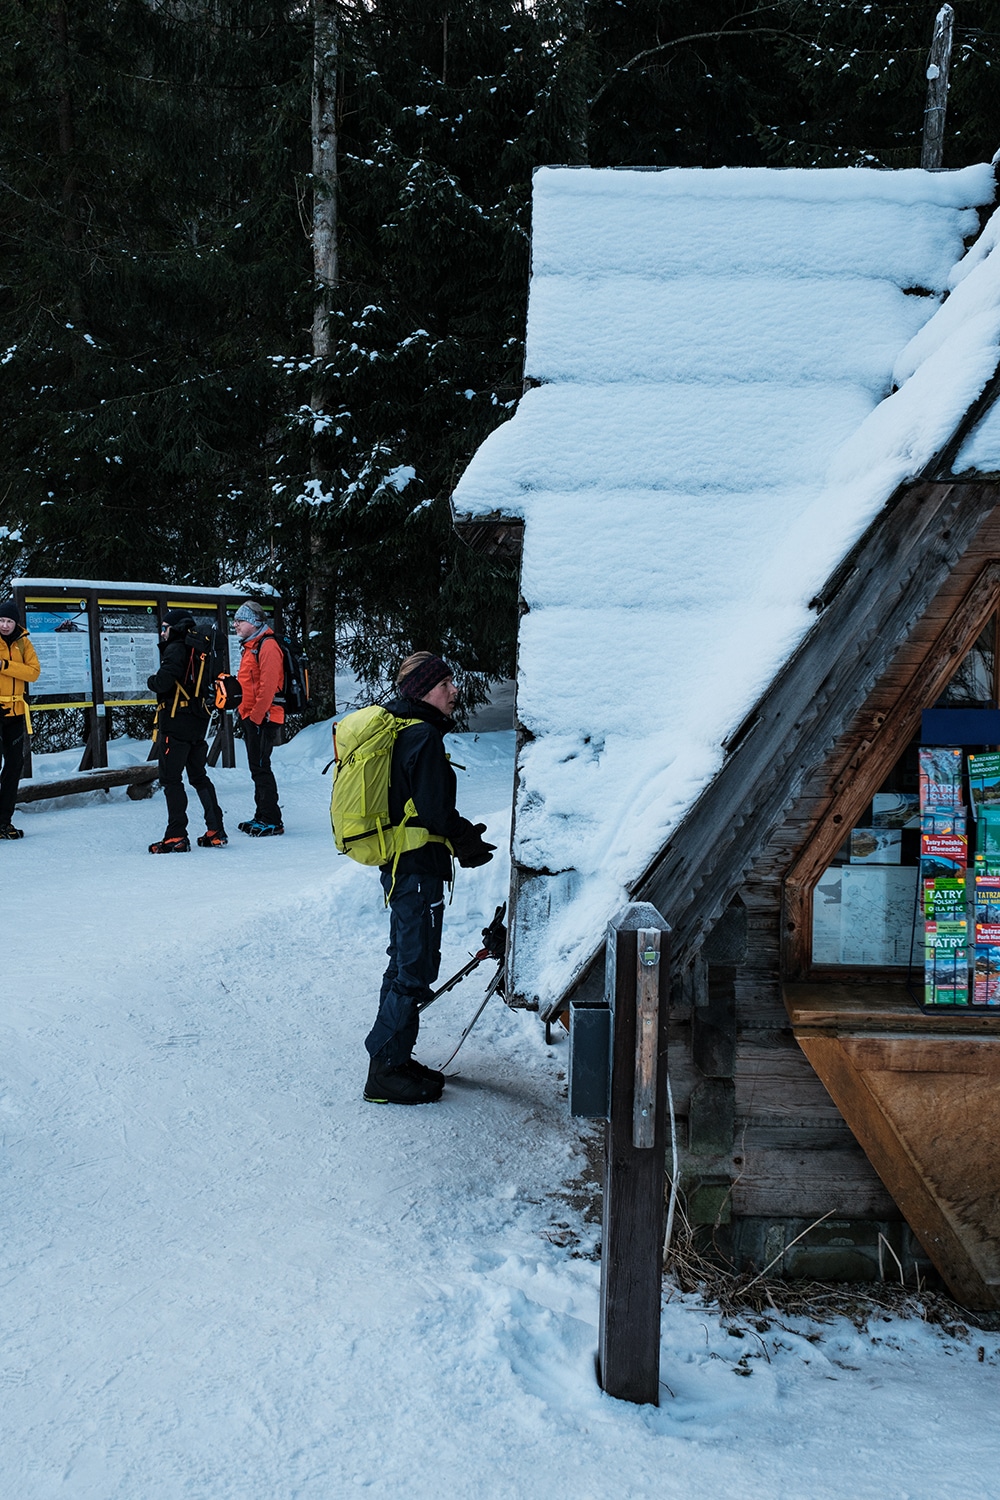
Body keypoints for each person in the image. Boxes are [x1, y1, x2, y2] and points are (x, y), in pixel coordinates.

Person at [364, 651, 496, 1106]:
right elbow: (436, 811)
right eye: (445, 685)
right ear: (423, 691)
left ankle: (394, 1059)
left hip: (404, 867)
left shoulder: (405, 730)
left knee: (404, 962)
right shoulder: (421, 737)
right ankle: (383, 1070)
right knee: (413, 970)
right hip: (417, 871)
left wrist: (459, 838)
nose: (454, 691)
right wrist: (468, 840)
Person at [147, 611, 226, 853]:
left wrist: (151, 680)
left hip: (175, 722)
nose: (162, 632)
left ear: (176, 628)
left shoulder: (176, 648)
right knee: (199, 776)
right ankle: (216, 830)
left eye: (165, 627)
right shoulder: (202, 649)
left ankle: (176, 835)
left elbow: (162, 682)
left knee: (171, 779)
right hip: (199, 721)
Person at [232, 601, 285, 836]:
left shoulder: (268, 646)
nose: (235, 625)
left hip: (263, 717)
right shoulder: (250, 646)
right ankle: (262, 815)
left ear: (253, 623)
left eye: (240, 621)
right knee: (257, 768)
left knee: (262, 768)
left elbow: (268, 686)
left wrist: (255, 716)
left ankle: (272, 819)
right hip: (252, 716)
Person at [0, 599, 40, 840]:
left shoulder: (23, 643)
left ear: (16, 623)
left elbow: (33, 672)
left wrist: (5, 664)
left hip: (15, 713)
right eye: (1, 620)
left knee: (14, 768)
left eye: (9, 621)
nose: (4, 625)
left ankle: (4, 822)